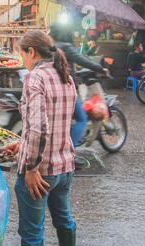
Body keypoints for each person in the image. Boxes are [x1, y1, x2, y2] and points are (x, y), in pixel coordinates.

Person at [3, 30, 77, 246]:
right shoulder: (65, 75)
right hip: (65, 165)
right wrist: (22, 145)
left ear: (31, 52)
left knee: (32, 231)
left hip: (41, 172)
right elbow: (56, 125)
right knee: (64, 219)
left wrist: (31, 167)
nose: (22, 59)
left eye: (22, 53)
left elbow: (38, 128)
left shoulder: (35, 77)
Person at [49, 23, 109, 169]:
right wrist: (101, 69)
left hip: (52, 89)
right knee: (81, 119)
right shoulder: (66, 47)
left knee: (65, 121)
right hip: (67, 90)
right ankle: (70, 155)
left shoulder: (51, 47)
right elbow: (83, 61)